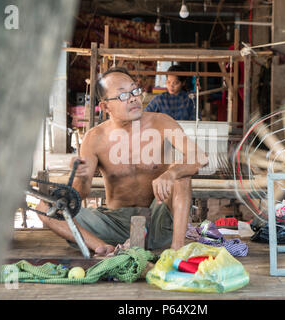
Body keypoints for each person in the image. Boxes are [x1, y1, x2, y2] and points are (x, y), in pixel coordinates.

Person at [36, 67, 208, 256]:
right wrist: (80, 178)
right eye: (123, 95)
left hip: (159, 219)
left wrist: (172, 173)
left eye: (134, 91)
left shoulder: (161, 122)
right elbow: (81, 193)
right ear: (105, 107)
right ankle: (102, 247)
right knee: (44, 207)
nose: (134, 98)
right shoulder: (94, 138)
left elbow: (200, 157)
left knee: (181, 175)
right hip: (114, 224)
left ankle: (177, 251)